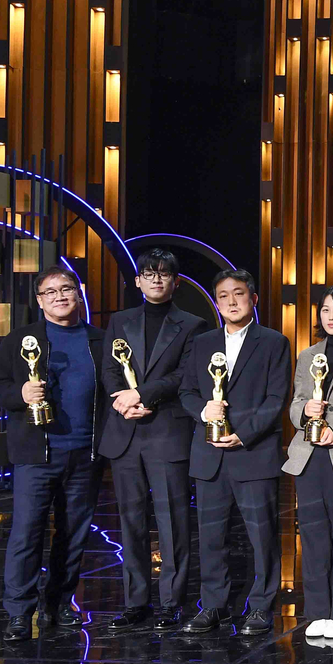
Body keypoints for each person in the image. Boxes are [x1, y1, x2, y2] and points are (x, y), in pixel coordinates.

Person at [0, 266, 106, 642]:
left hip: (85, 454)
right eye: (50, 291)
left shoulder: (101, 340)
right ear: (40, 301)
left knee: (73, 535)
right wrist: (20, 394)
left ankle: (57, 604)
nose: (59, 296)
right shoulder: (22, 339)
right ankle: (19, 611)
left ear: (79, 292)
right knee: (26, 532)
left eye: (66, 288)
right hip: (36, 454)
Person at [178, 269, 291, 636]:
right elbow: (188, 392)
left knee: (262, 537)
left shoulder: (274, 342)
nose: (231, 301)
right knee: (211, 538)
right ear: (216, 301)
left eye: (238, 294)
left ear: (253, 299)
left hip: (253, 453)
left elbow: (276, 398)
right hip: (209, 455)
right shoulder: (203, 341)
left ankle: (260, 606)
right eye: (223, 295)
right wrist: (203, 412)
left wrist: (243, 433)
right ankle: (213, 605)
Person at [100, 248, 207, 632]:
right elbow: (110, 370)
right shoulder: (120, 320)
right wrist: (123, 401)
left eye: (164, 274)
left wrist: (143, 395)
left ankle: (172, 603)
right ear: (138, 281)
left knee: (173, 521)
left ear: (175, 282)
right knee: (130, 522)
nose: (156, 279)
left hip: (167, 431)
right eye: (149, 273)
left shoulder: (193, 325)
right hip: (125, 431)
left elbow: (185, 375)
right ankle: (135, 602)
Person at [283, 285, 333, 640]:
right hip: (308, 455)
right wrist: (304, 413)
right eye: (325, 310)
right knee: (313, 535)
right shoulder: (307, 354)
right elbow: (296, 402)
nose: (331, 316)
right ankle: (318, 610)